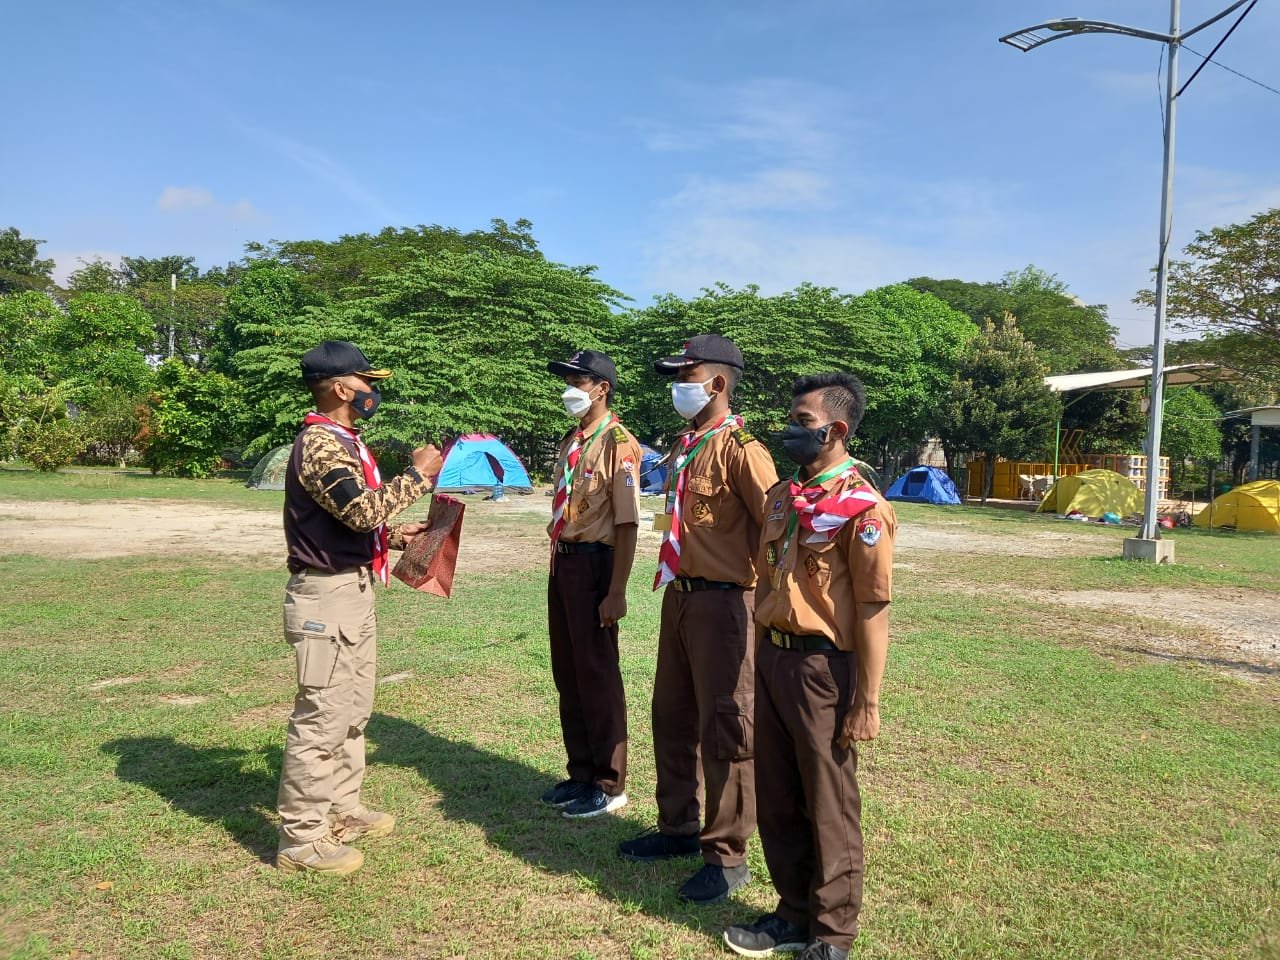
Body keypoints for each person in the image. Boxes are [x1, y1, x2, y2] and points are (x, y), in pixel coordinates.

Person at [723, 373, 896, 960]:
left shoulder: (862, 509)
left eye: (802, 422)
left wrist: (866, 701)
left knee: (828, 802)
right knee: (777, 795)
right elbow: (768, 577)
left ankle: (832, 934)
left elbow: (872, 608)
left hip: (824, 671)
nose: (791, 431)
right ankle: (792, 913)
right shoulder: (782, 497)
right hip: (773, 657)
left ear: (836, 429)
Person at [618, 334, 778, 905]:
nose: (678, 386)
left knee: (727, 726)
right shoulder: (687, 446)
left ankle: (727, 854)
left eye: (688, 375)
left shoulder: (742, 450)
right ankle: (679, 827)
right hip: (680, 597)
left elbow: (776, 529)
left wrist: (768, 605)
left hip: (727, 604)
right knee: (673, 715)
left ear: (718, 384)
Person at [275, 340, 443, 875]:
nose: (374, 392)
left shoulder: (344, 440)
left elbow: (356, 522)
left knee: (351, 712)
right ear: (343, 388)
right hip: (326, 597)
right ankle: (301, 840)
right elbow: (357, 510)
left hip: (351, 590)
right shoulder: (321, 443)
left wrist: (394, 536)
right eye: (368, 383)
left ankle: (341, 810)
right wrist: (419, 475)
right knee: (321, 717)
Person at [541, 349, 642, 819]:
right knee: (569, 671)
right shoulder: (572, 440)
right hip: (563, 562)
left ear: (601, 388)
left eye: (576, 380)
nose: (568, 388)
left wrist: (616, 590)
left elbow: (626, 524)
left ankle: (609, 780)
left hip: (596, 564)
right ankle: (581, 771)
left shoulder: (618, 443)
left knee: (598, 673)